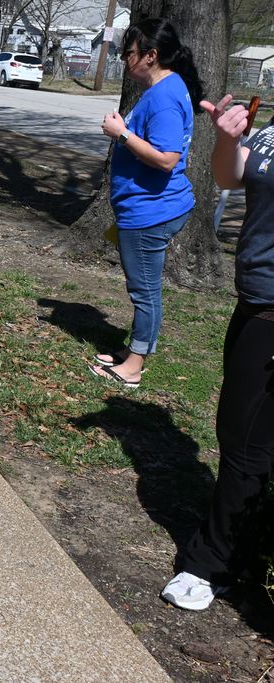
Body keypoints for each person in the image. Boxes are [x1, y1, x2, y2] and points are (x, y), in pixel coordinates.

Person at [161, 95, 274, 611]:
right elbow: (233, 178)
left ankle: (214, 565)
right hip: (255, 303)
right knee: (242, 437)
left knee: (247, 443)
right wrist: (229, 139)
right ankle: (244, 546)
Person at [90, 17, 204, 388]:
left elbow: (167, 158)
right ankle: (134, 350)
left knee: (144, 290)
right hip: (144, 207)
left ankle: (134, 365)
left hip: (150, 211)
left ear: (151, 56)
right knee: (143, 287)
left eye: (129, 53)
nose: (125, 59)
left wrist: (121, 134)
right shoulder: (165, 89)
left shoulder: (166, 95)